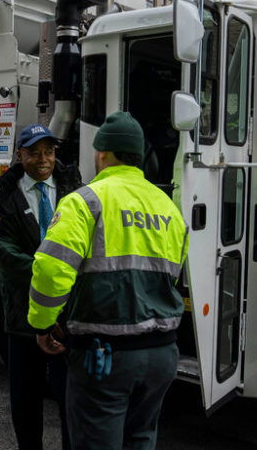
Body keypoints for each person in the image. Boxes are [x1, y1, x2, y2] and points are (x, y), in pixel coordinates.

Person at [28, 112, 187, 450]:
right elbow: (172, 277)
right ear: (139, 155)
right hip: (162, 354)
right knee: (141, 438)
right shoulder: (170, 208)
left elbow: (51, 270)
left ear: (101, 154)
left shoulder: (85, 201)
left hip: (106, 356)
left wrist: (42, 325)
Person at [0, 124, 81, 450]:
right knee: (26, 403)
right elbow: (7, 257)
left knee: (72, 402)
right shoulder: (4, 198)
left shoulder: (74, 192)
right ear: (20, 155)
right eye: (35, 152)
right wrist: (52, 275)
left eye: (49, 151)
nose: (44, 159)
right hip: (23, 318)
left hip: (67, 318)